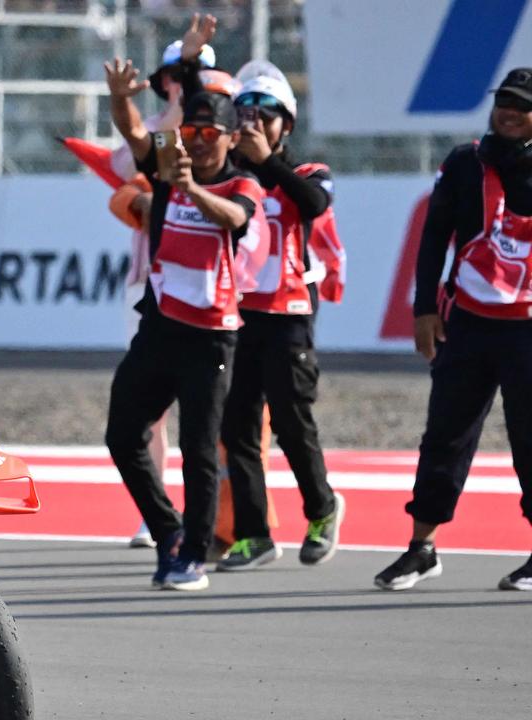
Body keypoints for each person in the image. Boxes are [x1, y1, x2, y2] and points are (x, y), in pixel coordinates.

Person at [104, 52, 267, 591]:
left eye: (208, 131)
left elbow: (236, 220)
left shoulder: (241, 185)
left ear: (228, 137)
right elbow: (134, 137)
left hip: (212, 338)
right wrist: (123, 98)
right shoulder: (168, 170)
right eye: (191, 129)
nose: (197, 139)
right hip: (160, 327)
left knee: (200, 449)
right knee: (122, 433)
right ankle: (167, 531)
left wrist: (192, 189)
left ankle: (193, 555)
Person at [375, 68, 532, 592]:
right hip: (468, 324)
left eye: (522, 106)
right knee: (444, 435)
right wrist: (424, 307)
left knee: (530, 440)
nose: (509, 113)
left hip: (527, 330)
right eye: (503, 103)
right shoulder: (466, 163)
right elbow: (433, 234)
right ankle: (421, 548)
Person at [215, 61, 347, 571]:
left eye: (266, 114)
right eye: (245, 113)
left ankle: (322, 509)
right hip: (238, 316)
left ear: (285, 124)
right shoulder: (230, 180)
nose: (254, 122)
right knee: (239, 429)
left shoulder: (308, 173)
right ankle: (254, 535)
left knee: (292, 422)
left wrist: (267, 162)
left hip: (290, 314)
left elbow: (312, 204)